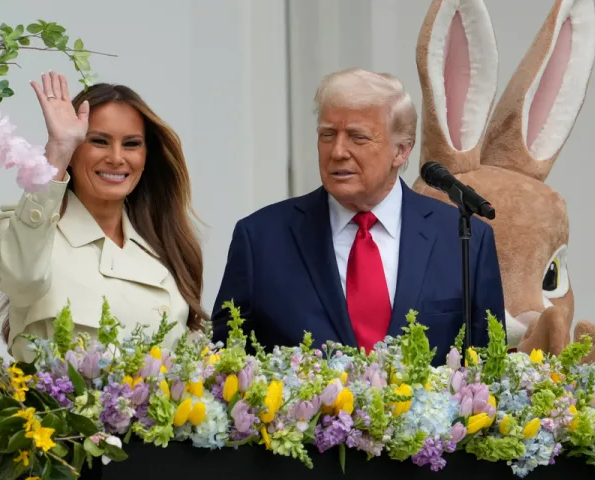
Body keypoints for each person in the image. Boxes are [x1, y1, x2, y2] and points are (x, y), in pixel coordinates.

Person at [211, 68, 505, 365]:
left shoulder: (464, 239)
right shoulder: (260, 240)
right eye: (327, 135)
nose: (338, 151)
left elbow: (489, 375)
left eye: (357, 137)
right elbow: (224, 370)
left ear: (401, 151)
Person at [0, 71, 204, 362]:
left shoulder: (165, 247)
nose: (117, 158)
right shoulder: (27, 231)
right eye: (99, 141)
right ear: (75, 151)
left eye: (131, 144)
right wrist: (57, 151)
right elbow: (22, 280)